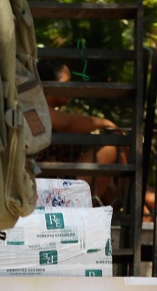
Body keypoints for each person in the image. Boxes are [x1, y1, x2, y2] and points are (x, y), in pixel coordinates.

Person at [36, 60, 127, 206]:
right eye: (67, 82)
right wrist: (105, 122)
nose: (72, 88)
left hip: (63, 184)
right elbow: (67, 123)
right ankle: (134, 202)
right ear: (50, 85)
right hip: (50, 190)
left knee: (114, 189)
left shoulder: (55, 113)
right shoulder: (36, 108)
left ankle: (132, 201)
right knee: (112, 147)